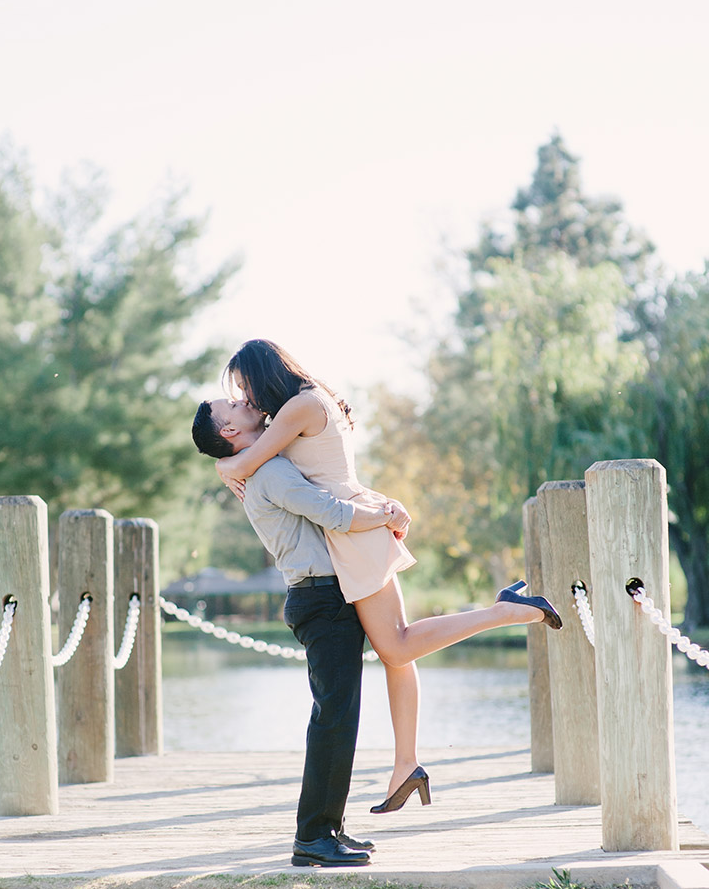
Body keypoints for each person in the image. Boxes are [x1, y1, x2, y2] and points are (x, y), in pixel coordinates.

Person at [212, 339, 562, 813]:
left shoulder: (301, 406)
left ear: (263, 373)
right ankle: (405, 765)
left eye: (244, 386)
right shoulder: (302, 404)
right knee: (398, 654)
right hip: (353, 524)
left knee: (395, 645)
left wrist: (223, 464)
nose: (246, 398)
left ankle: (508, 609)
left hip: (353, 528)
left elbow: (246, 462)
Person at [192, 395, 412, 867]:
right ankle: (312, 837)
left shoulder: (265, 465)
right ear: (228, 432)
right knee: (333, 715)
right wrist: (389, 516)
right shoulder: (269, 473)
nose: (242, 400)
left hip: (325, 595)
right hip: (321, 597)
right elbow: (332, 512)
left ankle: (329, 828)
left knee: (341, 714)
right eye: (229, 405)